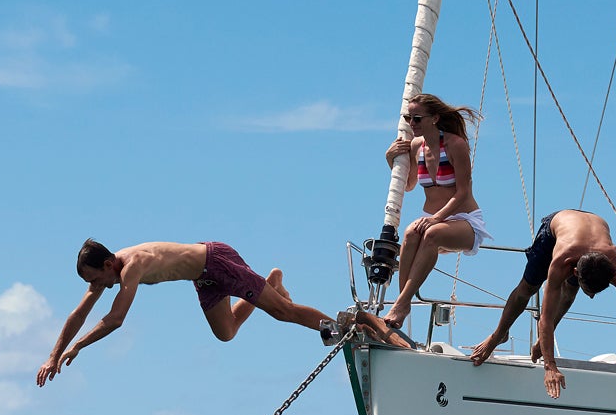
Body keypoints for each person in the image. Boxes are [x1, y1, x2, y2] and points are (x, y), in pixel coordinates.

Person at [37, 239, 343, 386]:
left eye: (95, 280)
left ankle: (338, 328)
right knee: (226, 332)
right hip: (203, 276)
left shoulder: (133, 266)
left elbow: (116, 319)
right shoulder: (108, 273)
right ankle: (270, 283)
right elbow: (78, 314)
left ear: (107, 265)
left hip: (216, 260)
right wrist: (54, 355)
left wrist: (78, 346)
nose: (96, 287)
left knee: (282, 312)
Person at [468, 210, 616, 408]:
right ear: (574, 271)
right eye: (589, 291)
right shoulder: (562, 261)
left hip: (591, 230)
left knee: (569, 292)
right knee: (527, 288)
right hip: (555, 230)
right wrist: (550, 366)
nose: (592, 296)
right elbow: (545, 316)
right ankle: (498, 335)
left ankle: (544, 341)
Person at [381, 93, 486, 330]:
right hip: (435, 220)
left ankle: (401, 304)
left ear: (435, 118)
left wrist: (436, 218)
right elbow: (408, 185)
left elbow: (462, 192)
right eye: (408, 118)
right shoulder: (417, 146)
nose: (411, 124)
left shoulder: (455, 145)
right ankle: (402, 302)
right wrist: (390, 159)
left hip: (465, 220)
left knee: (431, 234)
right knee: (409, 234)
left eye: (417, 118)